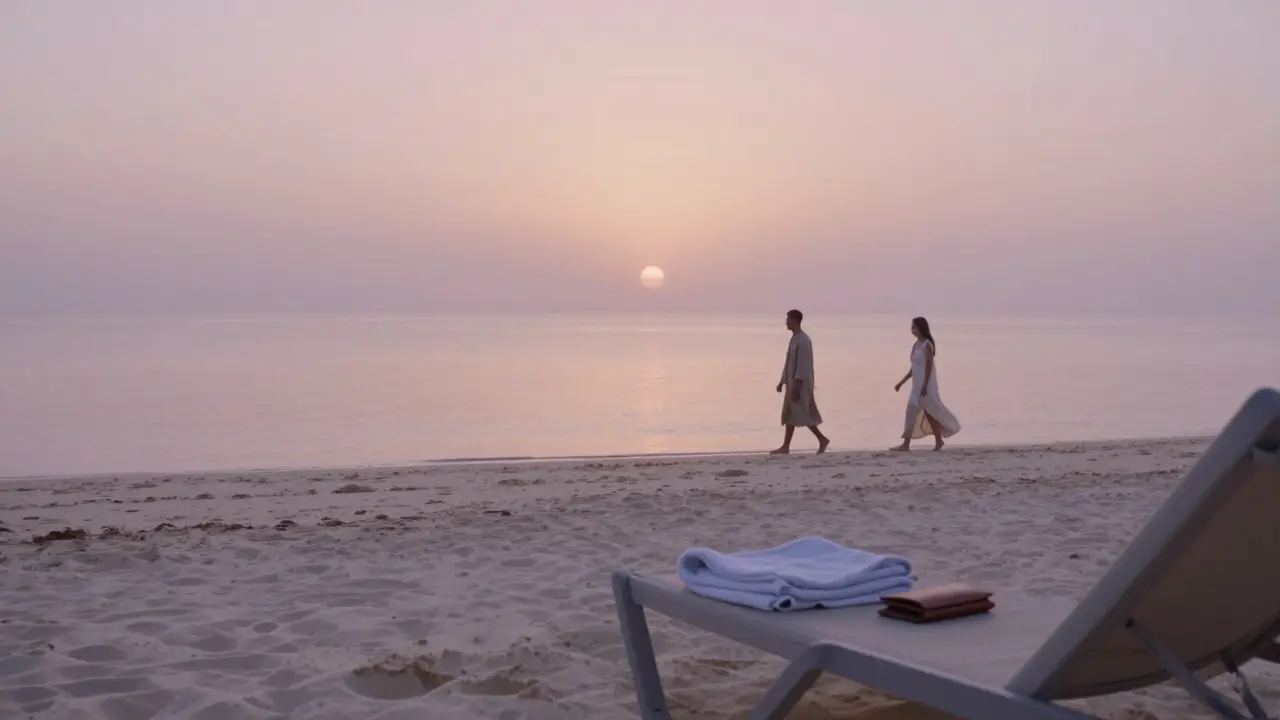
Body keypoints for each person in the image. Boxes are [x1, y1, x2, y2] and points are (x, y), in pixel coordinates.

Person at [892, 316, 961, 451]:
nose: (912, 330)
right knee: (911, 411)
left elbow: (929, 366)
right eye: (911, 328)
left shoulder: (927, 345)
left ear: (921, 328)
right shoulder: (916, 345)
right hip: (916, 386)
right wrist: (901, 382)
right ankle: (906, 444)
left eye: (914, 327)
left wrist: (924, 386)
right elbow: (914, 368)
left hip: (927, 385)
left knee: (931, 412)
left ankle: (938, 441)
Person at [771, 309, 830, 455]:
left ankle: (822, 439)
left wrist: (797, 385)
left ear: (795, 320)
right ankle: (785, 446)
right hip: (792, 382)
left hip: (800, 383)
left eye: (788, 319)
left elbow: (803, 364)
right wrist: (782, 381)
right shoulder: (795, 338)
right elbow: (789, 362)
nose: (786, 322)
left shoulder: (803, 340)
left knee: (803, 413)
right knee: (790, 413)